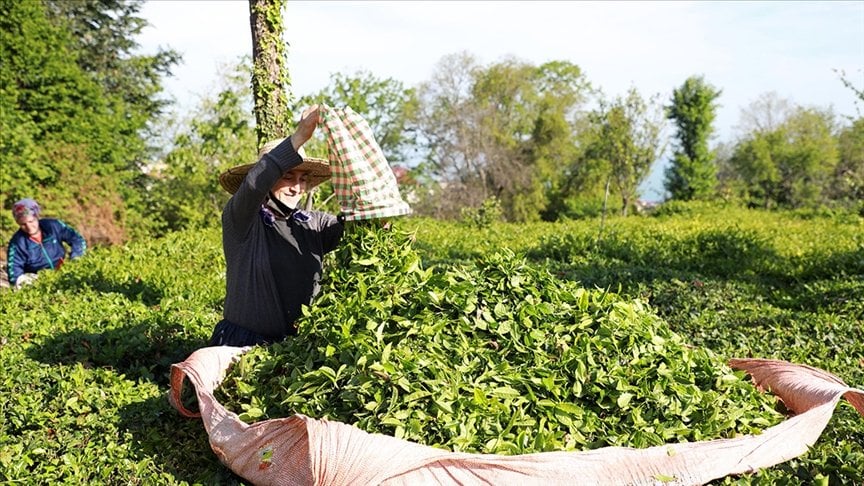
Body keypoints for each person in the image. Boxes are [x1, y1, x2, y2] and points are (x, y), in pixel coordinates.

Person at [208, 105, 344, 347]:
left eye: (303, 180)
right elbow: (254, 185)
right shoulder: (242, 220)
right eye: (287, 177)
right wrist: (300, 136)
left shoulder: (313, 223)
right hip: (243, 343)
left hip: (296, 346)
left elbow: (352, 228)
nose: (296, 188)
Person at [6, 198, 87, 288]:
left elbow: (77, 239)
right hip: (38, 281)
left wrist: (76, 258)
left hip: (63, 271)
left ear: (36, 217)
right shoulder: (17, 243)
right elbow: (14, 273)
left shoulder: (53, 226)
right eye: (23, 224)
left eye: (31, 221)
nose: (29, 227)